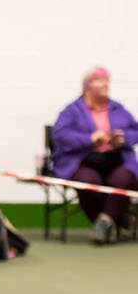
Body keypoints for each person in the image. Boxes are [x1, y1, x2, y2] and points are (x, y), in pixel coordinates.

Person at [50, 66, 138, 243]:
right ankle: (117, 217)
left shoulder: (118, 109)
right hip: (83, 161)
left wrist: (122, 139)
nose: (105, 84)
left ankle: (104, 222)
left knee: (123, 179)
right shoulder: (72, 110)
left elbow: (135, 131)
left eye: (107, 80)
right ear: (87, 85)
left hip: (116, 160)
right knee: (87, 182)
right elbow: (60, 135)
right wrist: (89, 139)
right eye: (100, 80)